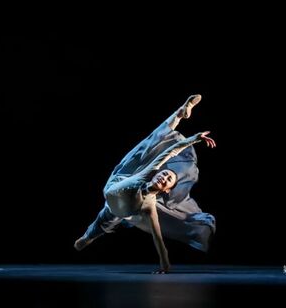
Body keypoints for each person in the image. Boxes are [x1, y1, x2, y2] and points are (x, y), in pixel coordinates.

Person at [74, 94, 216, 274]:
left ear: (166, 190)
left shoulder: (149, 207)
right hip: (119, 181)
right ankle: (179, 114)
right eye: (165, 174)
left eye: (167, 180)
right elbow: (170, 152)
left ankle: (87, 237)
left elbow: (158, 239)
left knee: (107, 219)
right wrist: (195, 138)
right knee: (149, 145)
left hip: (120, 206)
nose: (163, 177)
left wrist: (165, 266)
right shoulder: (147, 173)